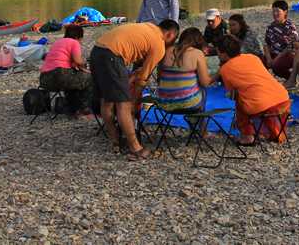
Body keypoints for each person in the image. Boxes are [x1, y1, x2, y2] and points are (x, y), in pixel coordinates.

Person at [90, 19, 180, 160]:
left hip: (97, 50)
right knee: (123, 104)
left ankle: (115, 141)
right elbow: (143, 78)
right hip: (112, 56)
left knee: (106, 100)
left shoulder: (147, 27)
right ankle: (135, 148)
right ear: (170, 35)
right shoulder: (159, 44)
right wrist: (134, 100)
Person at [216, 35, 290, 145]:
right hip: (283, 98)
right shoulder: (252, 57)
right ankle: (270, 132)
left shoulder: (225, 68)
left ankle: (247, 136)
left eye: (217, 52)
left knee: (240, 100)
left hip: (262, 105)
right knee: (254, 97)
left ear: (223, 53)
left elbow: (232, 92)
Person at [39, 24, 93, 118]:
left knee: (74, 80)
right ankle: (84, 109)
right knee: (90, 78)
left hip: (45, 79)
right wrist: (85, 63)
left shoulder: (58, 42)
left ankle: (72, 110)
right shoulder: (74, 42)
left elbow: (66, 61)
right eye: (81, 38)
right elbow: (78, 61)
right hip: (60, 75)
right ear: (77, 37)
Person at [156, 27, 214, 113]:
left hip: (164, 103)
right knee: (202, 89)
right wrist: (218, 74)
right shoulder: (197, 53)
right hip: (189, 104)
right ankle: (200, 125)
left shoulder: (167, 50)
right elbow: (205, 83)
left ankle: (195, 123)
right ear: (199, 41)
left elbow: (159, 77)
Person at [264, 0, 299, 77]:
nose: (275, 14)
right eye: (273, 11)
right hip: (274, 53)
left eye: (277, 11)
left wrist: (276, 59)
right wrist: (269, 58)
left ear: (285, 12)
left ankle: (290, 78)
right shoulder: (270, 27)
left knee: (276, 65)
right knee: (259, 62)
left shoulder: (290, 27)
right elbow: (266, 44)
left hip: (287, 54)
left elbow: (290, 47)